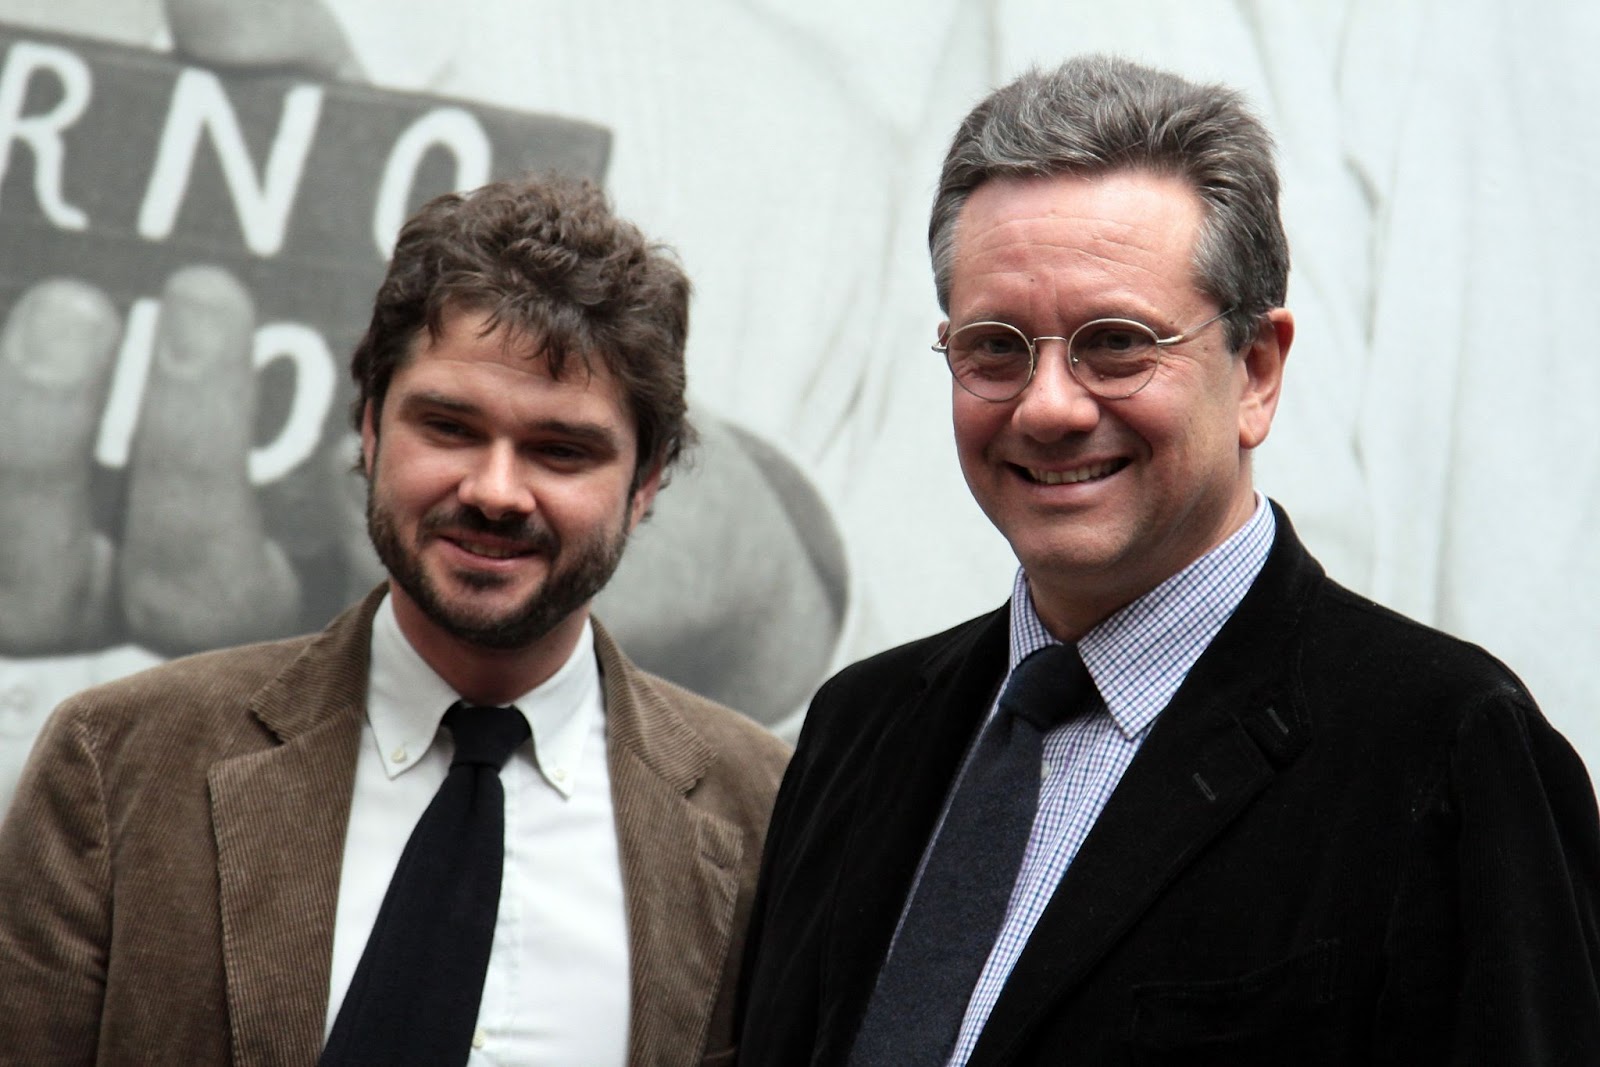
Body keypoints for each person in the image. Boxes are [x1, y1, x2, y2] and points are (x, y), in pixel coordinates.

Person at [736, 54, 1600, 1066]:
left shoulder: (1445, 744)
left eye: (1115, 344)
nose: (1048, 405)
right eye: (995, 347)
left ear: (1256, 372)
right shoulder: (860, 725)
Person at [0, 174, 791, 1065]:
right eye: (449, 427)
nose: (494, 491)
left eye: (560, 450)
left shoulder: (771, 812)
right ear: (370, 429)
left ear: (646, 484)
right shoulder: (118, 763)